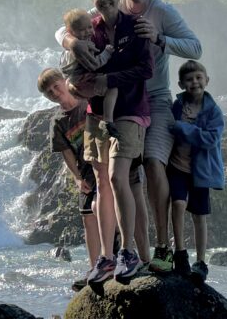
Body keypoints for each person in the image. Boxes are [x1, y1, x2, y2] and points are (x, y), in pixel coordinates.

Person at [58, 0, 202, 273]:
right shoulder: (104, 14)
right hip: (114, 105)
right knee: (121, 180)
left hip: (152, 99)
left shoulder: (156, 15)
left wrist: (161, 39)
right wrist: (72, 42)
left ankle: (161, 248)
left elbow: (195, 47)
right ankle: (126, 256)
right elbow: (66, 26)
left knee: (149, 165)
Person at [36, 67, 148, 289]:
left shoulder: (85, 102)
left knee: (110, 207)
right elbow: (66, 153)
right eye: (49, 92)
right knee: (88, 217)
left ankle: (123, 256)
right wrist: (77, 178)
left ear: (64, 81)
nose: (55, 93)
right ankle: (94, 265)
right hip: (85, 172)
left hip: (105, 161)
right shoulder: (57, 121)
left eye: (56, 87)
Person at [80, 0, 154, 284]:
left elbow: (146, 69)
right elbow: (72, 60)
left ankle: (128, 252)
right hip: (95, 115)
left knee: (117, 176)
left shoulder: (134, 26)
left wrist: (110, 80)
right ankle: (106, 258)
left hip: (129, 112)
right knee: (101, 182)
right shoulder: (89, 31)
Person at [168, 59, 224, 282]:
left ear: (207, 80)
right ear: (181, 84)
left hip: (201, 171)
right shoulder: (178, 105)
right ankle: (180, 253)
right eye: (189, 79)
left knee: (200, 216)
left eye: (199, 78)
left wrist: (184, 128)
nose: (195, 82)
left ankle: (201, 262)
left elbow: (211, 139)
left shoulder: (214, 112)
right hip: (177, 166)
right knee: (178, 204)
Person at [59, 8, 119, 137]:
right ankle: (108, 120)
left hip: (76, 82)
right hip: (82, 82)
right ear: (70, 32)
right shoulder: (82, 48)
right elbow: (95, 64)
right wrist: (107, 52)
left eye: (89, 27)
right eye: (82, 30)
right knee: (112, 88)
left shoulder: (67, 50)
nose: (88, 32)